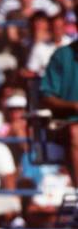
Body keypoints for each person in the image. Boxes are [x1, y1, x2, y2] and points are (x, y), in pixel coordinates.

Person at [40, 39, 78, 185]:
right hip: (63, 124)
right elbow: (47, 98)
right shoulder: (62, 56)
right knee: (76, 132)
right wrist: (74, 106)